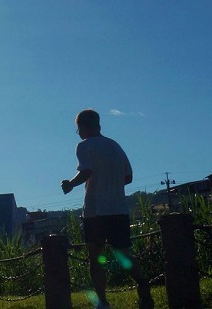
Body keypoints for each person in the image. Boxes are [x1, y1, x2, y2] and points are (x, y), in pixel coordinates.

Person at [61, 109, 153, 309]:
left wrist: (70, 184)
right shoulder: (115, 146)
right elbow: (128, 177)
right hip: (118, 209)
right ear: (99, 125)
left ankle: (102, 302)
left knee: (96, 258)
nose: (79, 133)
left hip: (95, 211)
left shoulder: (84, 146)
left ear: (83, 127)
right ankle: (143, 283)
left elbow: (86, 171)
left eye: (78, 130)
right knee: (124, 254)